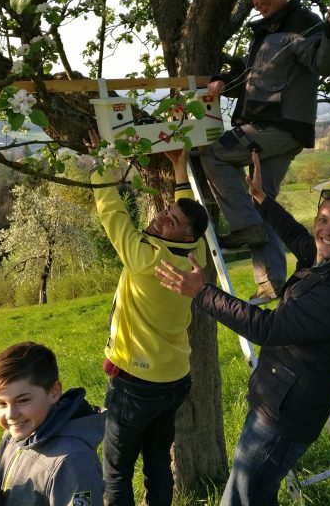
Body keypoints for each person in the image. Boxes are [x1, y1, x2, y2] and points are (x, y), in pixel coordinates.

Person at [155, 151, 330, 506]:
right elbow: (296, 235)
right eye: (323, 220)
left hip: (286, 415)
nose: (327, 230)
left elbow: (267, 328)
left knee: (241, 498)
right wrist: (263, 202)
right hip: (278, 397)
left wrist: (201, 293)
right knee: (255, 493)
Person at [199, 0, 330, 301]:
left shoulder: (302, 23)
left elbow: (326, 63)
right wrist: (225, 80)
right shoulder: (268, 30)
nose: (259, 0)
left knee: (210, 151)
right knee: (262, 199)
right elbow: (256, 79)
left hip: (276, 127)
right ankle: (271, 284)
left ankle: (242, 225)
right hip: (276, 128)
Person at [84, 129, 208, 506]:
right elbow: (188, 215)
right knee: (157, 462)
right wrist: (180, 170)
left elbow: (112, 214)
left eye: (168, 221)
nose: (159, 218)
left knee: (116, 471)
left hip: (136, 384)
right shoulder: (195, 253)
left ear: (182, 234)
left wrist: (102, 162)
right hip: (173, 380)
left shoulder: (145, 258)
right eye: (164, 212)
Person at [0, 341, 105, 506]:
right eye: (1, 403)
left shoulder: (74, 461)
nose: (10, 414)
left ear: (54, 392)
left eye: (23, 400)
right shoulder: (13, 436)